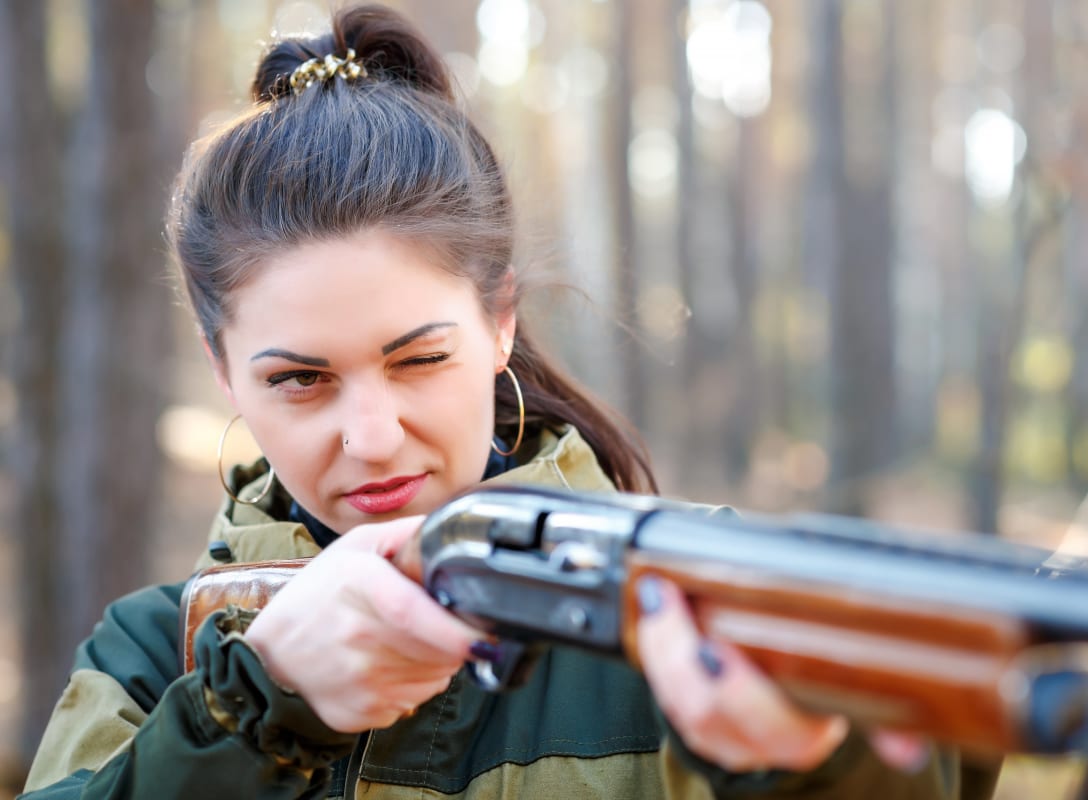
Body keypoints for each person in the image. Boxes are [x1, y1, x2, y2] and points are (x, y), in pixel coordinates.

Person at [21, 6, 999, 799]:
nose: (370, 436)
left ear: (499, 321)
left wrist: (819, 762)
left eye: (417, 360)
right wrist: (258, 707)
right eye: (299, 378)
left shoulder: (702, 605)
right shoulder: (154, 659)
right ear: (222, 370)